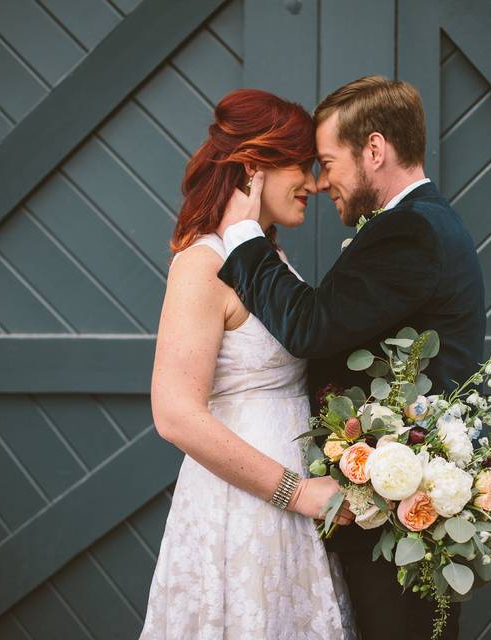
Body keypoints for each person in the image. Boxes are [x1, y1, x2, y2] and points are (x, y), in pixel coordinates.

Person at [217, 76, 486, 640]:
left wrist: (242, 236)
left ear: (374, 149)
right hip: (389, 513)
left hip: (400, 521)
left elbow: (311, 326)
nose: (320, 183)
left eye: (327, 162)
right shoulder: (419, 224)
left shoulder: (409, 231)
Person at [139, 89, 356, 640]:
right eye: (301, 165)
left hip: (296, 508)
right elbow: (175, 415)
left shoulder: (267, 259)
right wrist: (296, 491)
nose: (313, 182)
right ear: (255, 166)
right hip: (245, 508)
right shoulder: (202, 264)